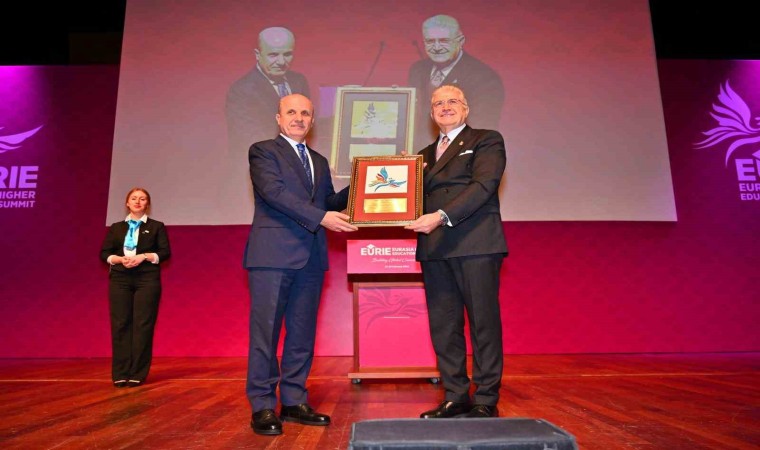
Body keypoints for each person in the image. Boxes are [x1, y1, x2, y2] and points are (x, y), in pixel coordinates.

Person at [244, 93, 358, 435]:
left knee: (302, 333)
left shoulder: (319, 161)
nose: (298, 118)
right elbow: (274, 193)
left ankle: (294, 400)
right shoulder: (263, 151)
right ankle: (263, 405)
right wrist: (321, 217)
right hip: (272, 256)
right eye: (291, 112)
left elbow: (328, 202)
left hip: (311, 257)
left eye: (305, 113)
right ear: (279, 118)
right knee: (265, 333)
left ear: (312, 120)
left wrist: (366, 180)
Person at [405, 85, 508, 419]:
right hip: (435, 248)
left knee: (482, 322)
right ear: (431, 112)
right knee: (444, 325)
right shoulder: (421, 156)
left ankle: (486, 397)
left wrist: (439, 216)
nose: (445, 107)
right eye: (438, 103)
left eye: (452, 101)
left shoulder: (486, 140)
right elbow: (396, 193)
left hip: (475, 244)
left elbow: (484, 185)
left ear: (466, 108)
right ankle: (455, 395)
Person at [100, 188, 171, 388]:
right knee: (120, 324)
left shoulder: (156, 226)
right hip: (120, 278)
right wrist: (118, 259)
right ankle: (120, 373)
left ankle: (138, 373)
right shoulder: (116, 227)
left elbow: (165, 252)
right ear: (127, 203)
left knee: (143, 325)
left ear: (147, 204)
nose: (138, 201)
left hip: (146, 279)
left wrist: (144, 256)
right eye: (134, 198)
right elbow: (104, 253)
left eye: (142, 199)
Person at [408, 14, 505, 150]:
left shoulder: (484, 77)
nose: (436, 47)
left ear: (460, 41)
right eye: (430, 41)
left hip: (460, 156)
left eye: (444, 41)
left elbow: (481, 129)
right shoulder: (418, 69)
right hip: (419, 153)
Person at [226, 26, 311, 161]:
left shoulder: (299, 81)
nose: (281, 62)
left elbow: (309, 127)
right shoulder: (241, 90)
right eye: (273, 55)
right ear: (257, 54)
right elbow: (250, 139)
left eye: (287, 54)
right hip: (263, 166)